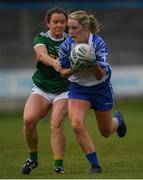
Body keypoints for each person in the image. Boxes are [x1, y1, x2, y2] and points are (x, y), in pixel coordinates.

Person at [58, 10, 127, 173]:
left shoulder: (98, 44)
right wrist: (76, 67)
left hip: (100, 88)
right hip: (78, 88)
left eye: (74, 28)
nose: (70, 32)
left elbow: (99, 75)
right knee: (76, 124)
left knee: (106, 131)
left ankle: (118, 121)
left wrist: (90, 61)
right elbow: (62, 72)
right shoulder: (66, 45)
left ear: (85, 27)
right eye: (69, 28)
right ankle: (95, 165)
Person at [21, 7, 69, 175]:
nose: (59, 25)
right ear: (48, 23)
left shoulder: (71, 41)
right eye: (55, 22)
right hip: (42, 87)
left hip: (64, 90)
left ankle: (58, 166)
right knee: (28, 120)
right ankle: (33, 159)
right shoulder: (41, 38)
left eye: (62, 22)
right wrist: (54, 62)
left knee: (56, 123)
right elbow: (41, 55)